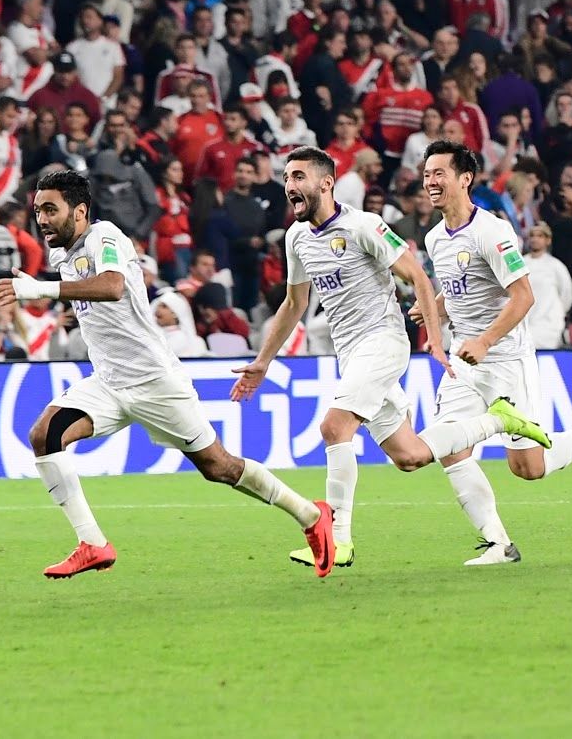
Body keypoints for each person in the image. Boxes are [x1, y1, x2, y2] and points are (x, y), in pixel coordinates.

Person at [0, 170, 336, 578]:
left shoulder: (106, 238)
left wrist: (42, 290)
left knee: (218, 467)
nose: (42, 219)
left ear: (80, 211)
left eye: (51, 209)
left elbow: (113, 286)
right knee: (44, 435)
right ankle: (93, 544)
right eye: (38, 211)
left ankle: (311, 516)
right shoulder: (61, 255)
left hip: (155, 382)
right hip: (107, 382)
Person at [230, 146, 552, 570]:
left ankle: (336, 538)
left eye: (298, 177)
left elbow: (416, 274)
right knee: (410, 456)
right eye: (287, 178)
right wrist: (264, 361)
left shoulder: (365, 225)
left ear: (326, 183)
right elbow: (294, 303)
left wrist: (435, 342)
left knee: (334, 426)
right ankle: (500, 420)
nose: (290, 186)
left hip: (382, 341)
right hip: (351, 353)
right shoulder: (295, 238)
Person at [414, 140, 572, 562]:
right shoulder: (435, 237)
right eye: (427, 174)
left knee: (527, 468)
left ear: (465, 179)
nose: (430, 181)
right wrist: (432, 308)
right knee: (451, 449)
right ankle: (498, 542)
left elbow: (523, 297)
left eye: (439, 173)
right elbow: (458, 287)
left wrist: (486, 340)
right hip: (462, 361)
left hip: (505, 359)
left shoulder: (492, 231)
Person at [522, 222, 572, 349]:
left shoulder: (556, 265)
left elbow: (567, 294)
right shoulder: (521, 263)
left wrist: (558, 313)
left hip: (549, 326)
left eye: (540, 236)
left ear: (548, 240)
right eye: (532, 236)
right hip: (524, 325)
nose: (535, 239)